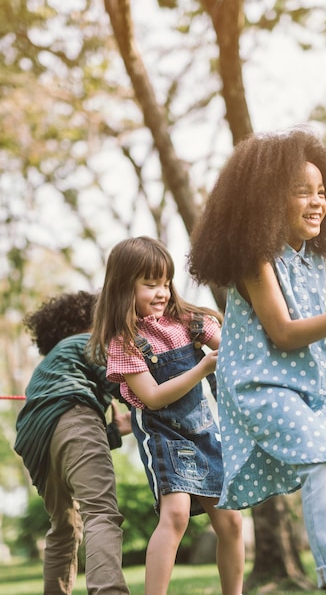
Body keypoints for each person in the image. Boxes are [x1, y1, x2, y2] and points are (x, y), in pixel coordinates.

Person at [187, 127, 326, 595]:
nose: (317, 201)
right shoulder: (255, 259)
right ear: (266, 200)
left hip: (310, 392)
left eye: (322, 192)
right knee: (324, 461)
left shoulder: (312, 260)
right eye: (302, 192)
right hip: (260, 388)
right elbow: (283, 334)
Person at [88, 236, 245, 595]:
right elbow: (154, 398)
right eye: (149, 284)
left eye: (165, 282)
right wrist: (203, 367)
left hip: (204, 430)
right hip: (164, 435)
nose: (161, 292)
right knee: (175, 515)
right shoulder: (125, 342)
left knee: (232, 522)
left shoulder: (189, 322)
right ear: (124, 287)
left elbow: (232, 348)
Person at [14, 291, 131, 595]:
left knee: (65, 526)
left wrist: (115, 430)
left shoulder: (52, 362)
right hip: (72, 414)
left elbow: (67, 443)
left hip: (33, 440)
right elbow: (121, 381)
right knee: (101, 512)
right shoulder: (87, 341)